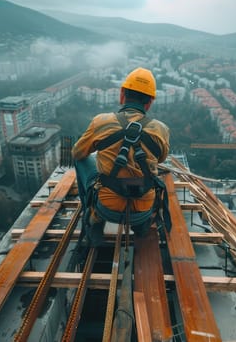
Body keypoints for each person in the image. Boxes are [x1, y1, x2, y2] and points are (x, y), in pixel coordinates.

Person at [72, 67, 170, 247]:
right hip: (143, 210)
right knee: (146, 183)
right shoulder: (161, 130)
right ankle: (140, 226)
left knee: (81, 160)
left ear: (122, 94)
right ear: (149, 103)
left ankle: (92, 216)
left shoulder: (101, 121)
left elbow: (77, 153)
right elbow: (161, 159)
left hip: (106, 208)